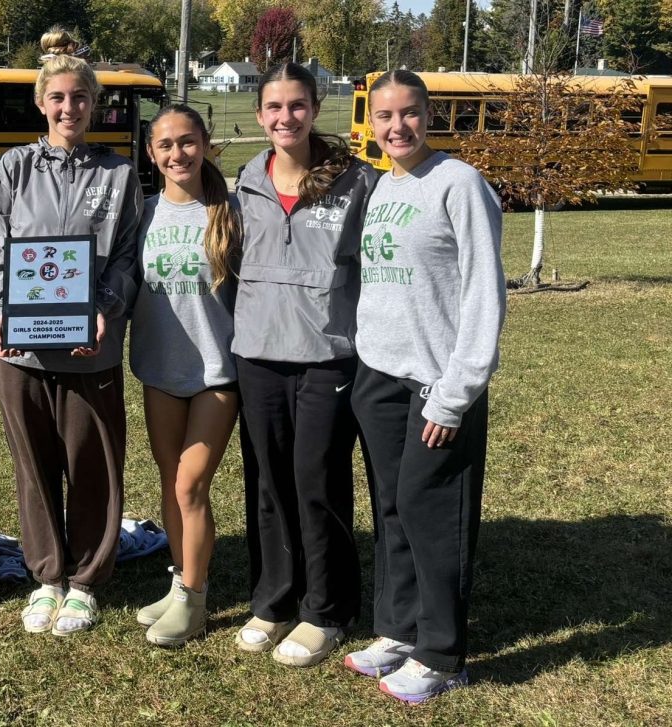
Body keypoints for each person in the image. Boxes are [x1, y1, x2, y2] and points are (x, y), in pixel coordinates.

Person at [344, 69, 505, 704]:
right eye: (384, 116)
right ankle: (399, 629)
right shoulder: (384, 185)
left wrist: (455, 392)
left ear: (428, 114)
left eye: (409, 113)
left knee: (432, 512)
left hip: (436, 383)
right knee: (392, 508)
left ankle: (442, 652)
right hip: (379, 376)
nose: (397, 127)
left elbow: (483, 297)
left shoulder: (459, 185)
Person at [0, 34, 143, 636]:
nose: (68, 108)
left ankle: (87, 580)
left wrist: (104, 305)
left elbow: (127, 256)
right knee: (34, 463)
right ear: (41, 103)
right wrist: (1, 305)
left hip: (88, 343)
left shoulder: (119, 174)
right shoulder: (14, 168)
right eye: (58, 98)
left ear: (93, 106)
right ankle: (47, 576)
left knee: (91, 460)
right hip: (19, 347)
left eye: (79, 99)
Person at [232, 63, 378, 665]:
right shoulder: (245, 179)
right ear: (260, 113)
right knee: (267, 483)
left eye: (297, 105)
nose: (285, 117)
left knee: (316, 482)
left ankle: (327, 609)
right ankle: (275, 598)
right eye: (273, 106)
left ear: (316, 109)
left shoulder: (357, 183)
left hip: (327, 359)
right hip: (259, 356)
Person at [129, 104, 241, 647]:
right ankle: (180, 585)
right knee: (170, 485)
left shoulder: (230, 212)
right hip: (160, 369)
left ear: (205, 142)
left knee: (190, 484)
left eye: (188, 141)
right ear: (152, 153)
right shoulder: (142, 215)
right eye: (166, 144)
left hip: (217, 372)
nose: (178, 153)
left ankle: (195, 602)